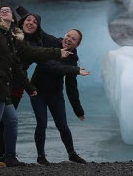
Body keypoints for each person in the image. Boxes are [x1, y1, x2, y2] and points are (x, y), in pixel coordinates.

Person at [0, 6, 71, 170]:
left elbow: (25, 60)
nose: (4, 12)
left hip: (3, 86)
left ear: (14, 19)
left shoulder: (14, 41)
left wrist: (58, 52)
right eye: (1, 11)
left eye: (8, 11)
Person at [30, 28, 91, 165]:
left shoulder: (72, 61)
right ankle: (41, 156)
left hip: (55, 94)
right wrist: (24, 13)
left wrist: (78, 110)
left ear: (77, 45)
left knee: (63, 125)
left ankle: (72, 154)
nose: (69, 39)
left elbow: (71, 88)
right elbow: (38, 30)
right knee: (42, 123)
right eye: (68, 36)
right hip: (37, 92)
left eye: (73, 39)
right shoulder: (51, 44)